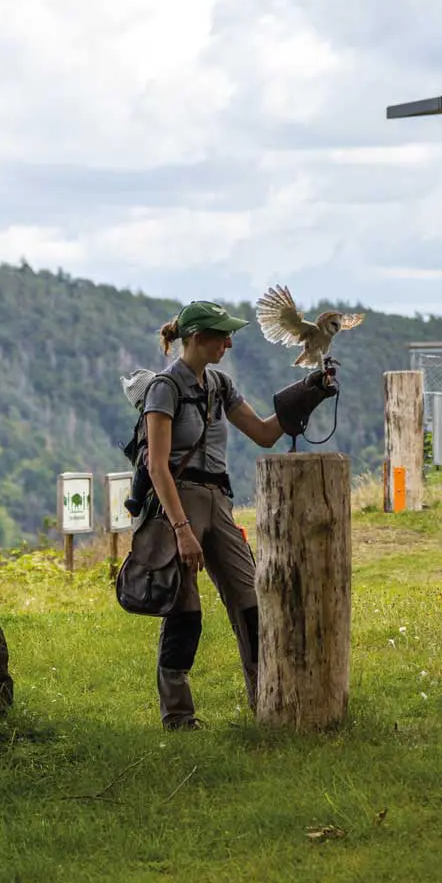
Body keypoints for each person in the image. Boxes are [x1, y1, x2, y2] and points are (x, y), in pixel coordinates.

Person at [132, 299, 298, 729]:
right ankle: (179, 717)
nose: (228, 342)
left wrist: (306, 395)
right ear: (199, 339)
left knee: (251, 603)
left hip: (219, 501)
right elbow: (157, 465)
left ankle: (267, 703)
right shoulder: (164, 389)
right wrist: (182, 531)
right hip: (179, 503)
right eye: (222, 336)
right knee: (184, 610)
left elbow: (263, 433)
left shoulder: (219, 385)